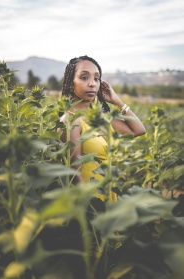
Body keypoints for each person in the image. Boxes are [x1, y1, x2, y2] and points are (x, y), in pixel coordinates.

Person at [59, 55, 146, 201]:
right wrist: (92, 210)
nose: (92, 84)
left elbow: (138, 130)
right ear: (70, 83)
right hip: (90, 200)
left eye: (96, 78)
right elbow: (74, 174)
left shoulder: (102, 118)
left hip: (108, 194)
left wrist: (117, 101)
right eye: (84, 77)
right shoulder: (71, 121)